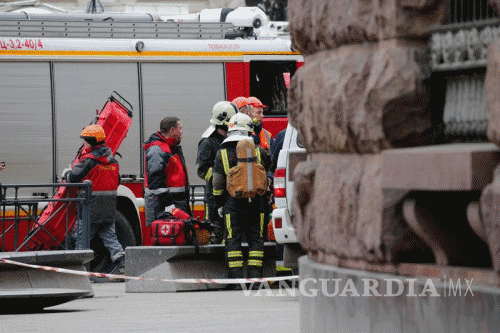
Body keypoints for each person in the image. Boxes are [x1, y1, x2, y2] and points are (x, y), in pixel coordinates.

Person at [212, 113, 270, 288]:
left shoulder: (222, 153)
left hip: (233, 204)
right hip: (257, 203)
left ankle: (236, 280)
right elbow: (265, 172)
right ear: (248, 131)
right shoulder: (259, 151)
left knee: (232, 240)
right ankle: (255, 280)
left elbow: (217, 182)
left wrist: (219, 203)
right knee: (256, 241)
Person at [61, 124, 125, 274]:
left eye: (85, 141)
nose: (84, 143)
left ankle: (79, 269)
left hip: (90, 208)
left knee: (81, 238)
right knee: (109, 237)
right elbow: (117, 181)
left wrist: (67, 173)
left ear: (90, 141)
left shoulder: (89, 161)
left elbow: (74, 178)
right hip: (109, 208)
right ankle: (122, 263)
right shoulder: (113, 161)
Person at [196, 101, 238, 244]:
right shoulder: (208, 143)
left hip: (231, 193)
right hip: (214, 195)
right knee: (215, 228)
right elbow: (202, 170)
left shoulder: (231, 140)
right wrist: (219, 176)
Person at [143, 116, 191, 226]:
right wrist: (169, 205)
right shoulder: (158, 149)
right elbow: (156, 180)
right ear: (172, 130)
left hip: (173, 203)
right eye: (180, 128)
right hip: (164, 205)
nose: (182, 132)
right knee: (165, 239)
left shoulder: (170, 147)